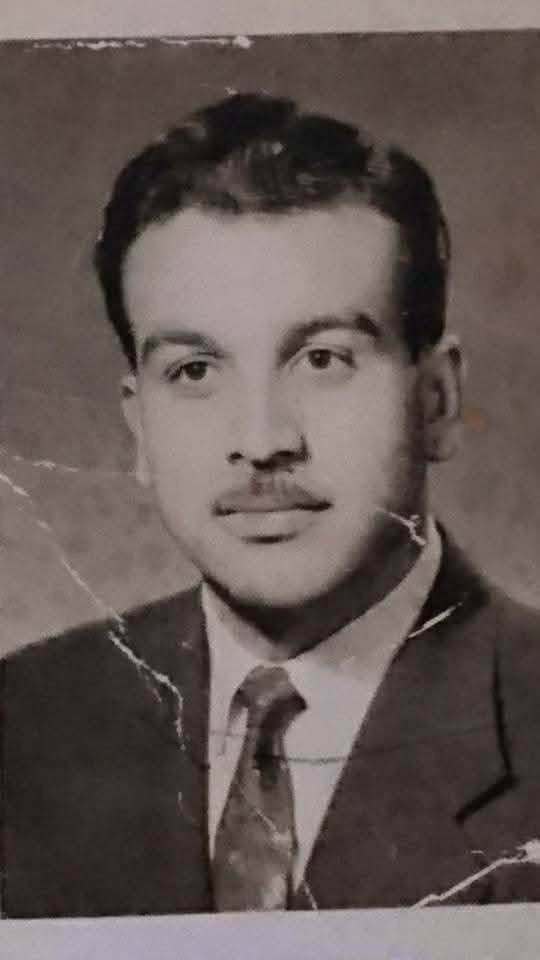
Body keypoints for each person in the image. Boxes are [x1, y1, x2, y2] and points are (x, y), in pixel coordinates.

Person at [2, 93, 540, 918]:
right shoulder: (22, 725)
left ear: (436, 400)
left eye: (323, 359)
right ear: (139, 427)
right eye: (194, 371)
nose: (261, 441)